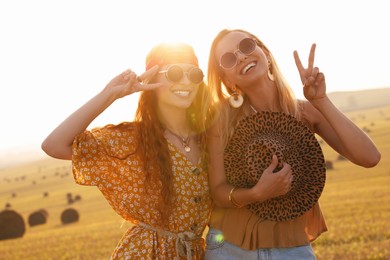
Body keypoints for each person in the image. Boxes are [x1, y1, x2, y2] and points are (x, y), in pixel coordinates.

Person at [204, 28, 381, 259]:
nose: (241, 57)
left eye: (246, 46)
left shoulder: (304, 112)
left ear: (265, 54)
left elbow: (369, 157)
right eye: (229, 59)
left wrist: (321, 101)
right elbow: (218, 192)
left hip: (292, 249)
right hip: (230, 248)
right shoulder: (221, 118)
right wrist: (257, 194)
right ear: (227, 79)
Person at [41, 42, 215, 259]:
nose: (186, 81)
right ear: (152, 80)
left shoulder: (211, 138)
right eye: (175, 73)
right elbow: (54, 145)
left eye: (194, 74)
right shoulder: (132, 141)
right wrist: (110, 94)